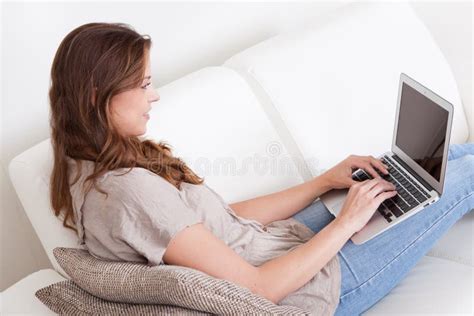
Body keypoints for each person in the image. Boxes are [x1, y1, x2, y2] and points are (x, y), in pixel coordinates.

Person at [49, 22, 474, 315]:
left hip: (277, 248)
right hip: (310, 291)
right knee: (463, 178)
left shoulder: (87, 164)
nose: (154, 96)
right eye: (143, 84)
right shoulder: (128, 192)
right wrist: (346, 223)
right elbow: (259, 291)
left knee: (437, 162)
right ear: (95, 95)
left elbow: (220, 221)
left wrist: (322, 182)